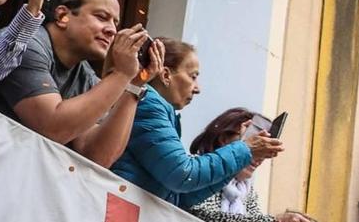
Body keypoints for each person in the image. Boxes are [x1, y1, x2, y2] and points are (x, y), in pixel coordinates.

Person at [111, 39, 280, 208]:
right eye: (193, 77)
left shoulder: (163, 112)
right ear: (165, 75)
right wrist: (245, 149)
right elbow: (182, 175)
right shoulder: (148, 104)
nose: (197, 88)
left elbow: (180, 198)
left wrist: (242, 154)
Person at [0, 0, 147, 164]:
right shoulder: (26, 42)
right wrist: (121, 75)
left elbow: (97, 156)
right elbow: (52, 128)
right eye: (101, 17)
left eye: (115, 22)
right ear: (62, 16)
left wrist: (133, 85)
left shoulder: (85, 75)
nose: (112, 30)